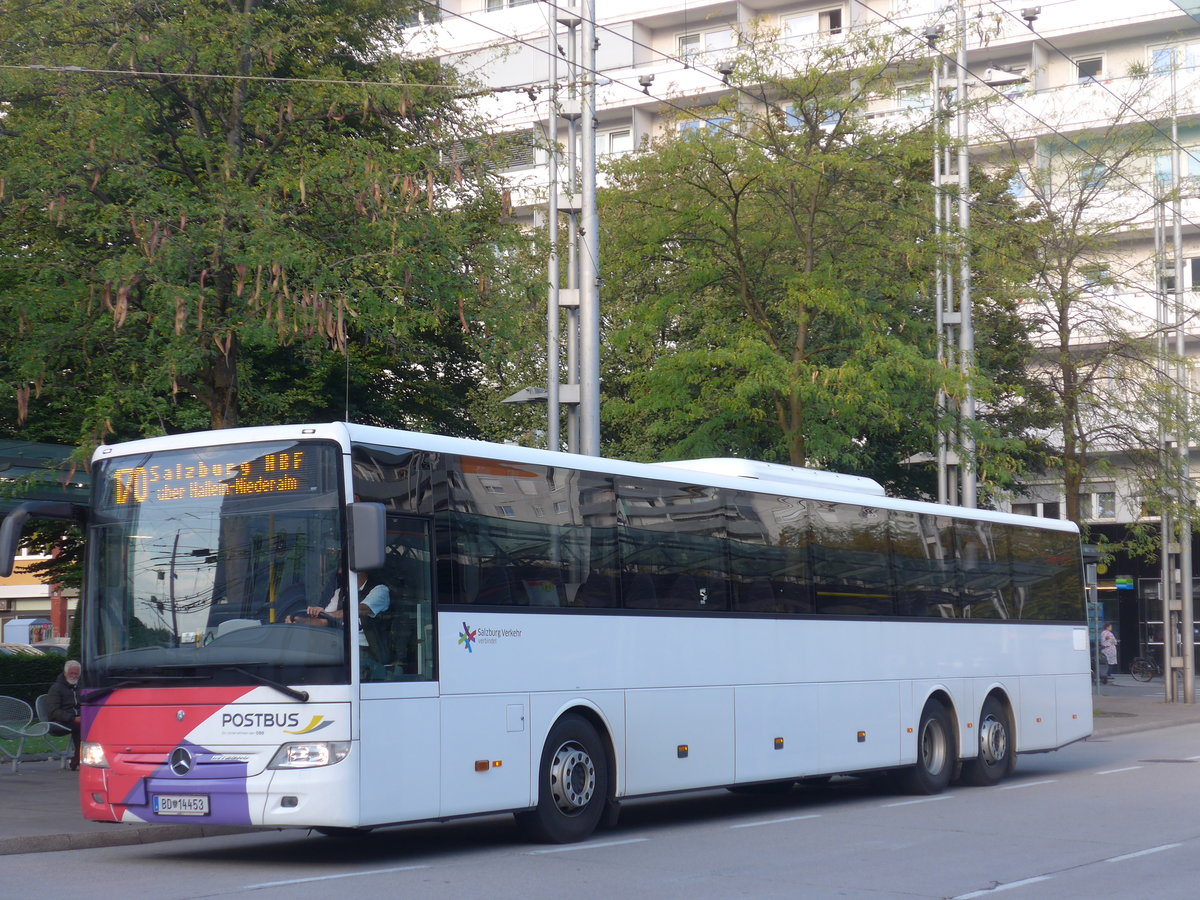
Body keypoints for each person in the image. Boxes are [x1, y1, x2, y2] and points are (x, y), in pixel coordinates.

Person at [47, 659, 82, 770]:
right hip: (58, 722)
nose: (74, 676)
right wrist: (73, 718)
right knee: (81, 727)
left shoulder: (81, 687)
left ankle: (78, 759)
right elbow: (54, 711)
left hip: (79, 720)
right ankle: (78, 760)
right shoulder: (56, 688)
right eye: (71, 673)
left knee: (93, 726)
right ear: (65, 673)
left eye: (76, 673)